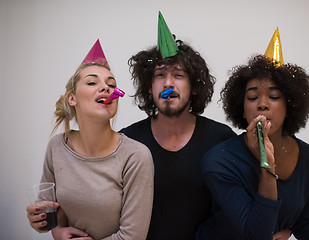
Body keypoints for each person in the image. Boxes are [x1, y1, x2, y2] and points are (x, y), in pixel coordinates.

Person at [196, 29, 309, 240]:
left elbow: (304, 224)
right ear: (242, 108)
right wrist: (267, 166)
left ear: (290, 105)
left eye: (273, 96)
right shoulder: (219, 160)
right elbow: (258, 234)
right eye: (253, 97)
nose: (262, 104)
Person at [119, 12, 236, 240]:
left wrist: (281, 225)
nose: (168, 83)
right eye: (160, 75)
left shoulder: (222, 140)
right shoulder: (127, 142)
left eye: (178, 75)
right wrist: (58, 225)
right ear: (149, 88)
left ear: (193, 87)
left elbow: (247, 199)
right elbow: (101, 201)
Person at [26, 39, 154, 240]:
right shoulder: (57, 146)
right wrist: (48, 227)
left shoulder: (136, 156)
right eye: (92, 82)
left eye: (111, 84)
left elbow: (133, 236)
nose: (106, 88)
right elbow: (49, 212)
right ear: (72, 98)